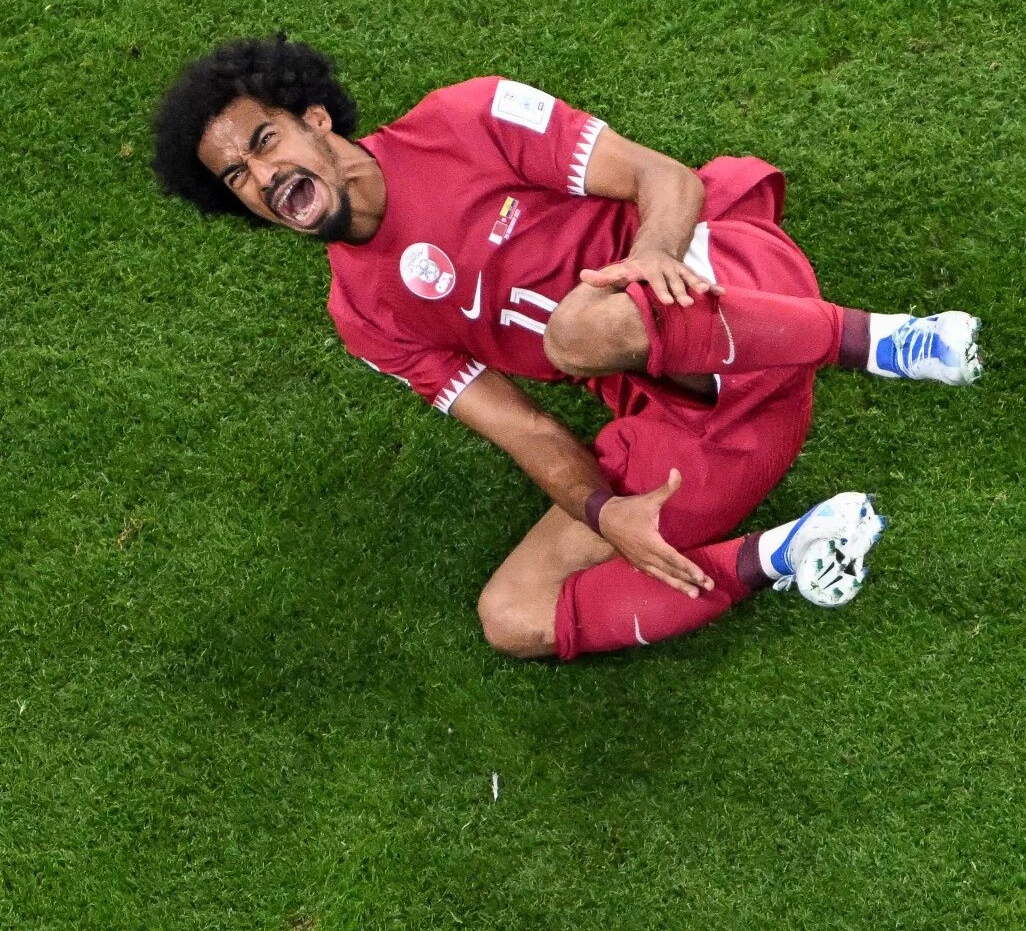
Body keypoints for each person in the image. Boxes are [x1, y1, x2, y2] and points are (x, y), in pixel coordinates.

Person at [149, 36, 981, 660]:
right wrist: (604, 512)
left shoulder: (465, 118)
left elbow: (670, 181)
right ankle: (793, 552)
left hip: (735, 283)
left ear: (316, 119)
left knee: (576, 330)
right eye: (237, 180)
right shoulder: (361, 316)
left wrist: (655, 255)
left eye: (264, 143)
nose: (260, 177)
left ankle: (886, 341)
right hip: (708, 422)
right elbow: (528, 432)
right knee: (510, 615)